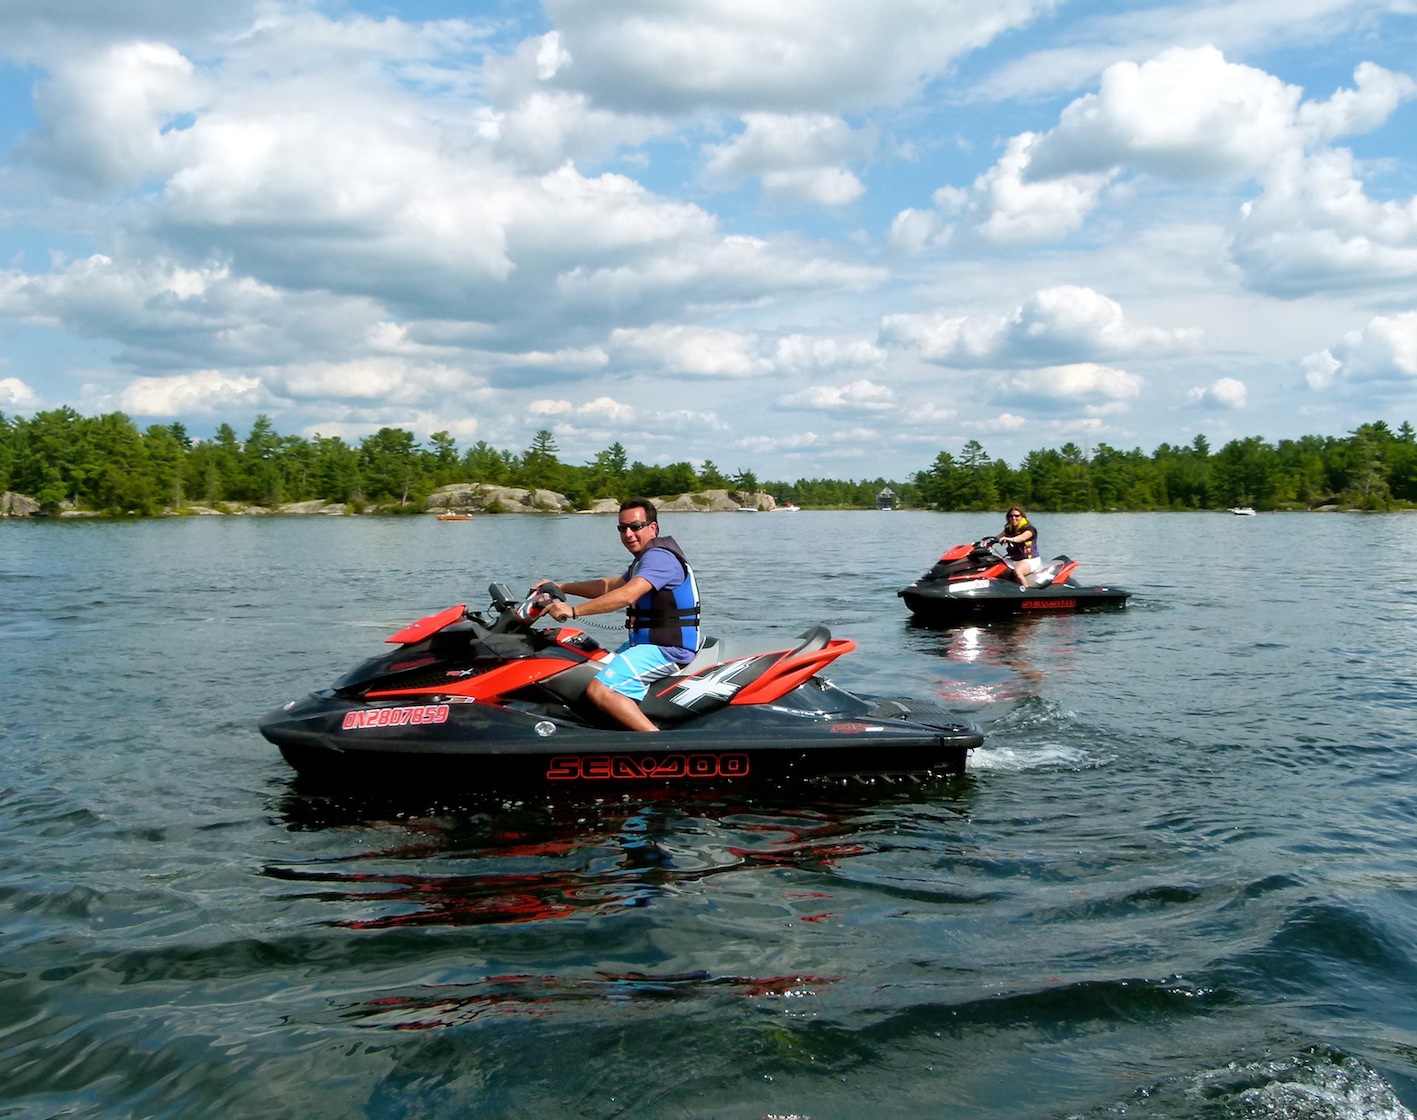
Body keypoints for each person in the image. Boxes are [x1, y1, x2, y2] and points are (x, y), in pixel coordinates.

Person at [541, 498, 700, 732]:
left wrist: (572, 611)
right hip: (646, 645)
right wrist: (561, 587)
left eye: (635, 527)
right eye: (622, 528)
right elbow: (608, 586)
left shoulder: (660, 558)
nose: (628, 534)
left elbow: (626, 595)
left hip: (667, 650)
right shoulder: (645, 560)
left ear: (652, 528)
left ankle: (660, 746)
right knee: (588, 667)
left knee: (601, 690)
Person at [993, 506, 1041, 588]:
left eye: (1017, 516)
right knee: (994, 564)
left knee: (1018, 571)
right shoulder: (1009, 529)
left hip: (1030, 560)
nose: (1013, 518)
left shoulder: (1029, 529)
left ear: (1022, 517)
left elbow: (1021, 538)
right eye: (1011, 516)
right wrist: (985, 542)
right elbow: (996, 538)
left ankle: (1026, 592)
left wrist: (1009, 539)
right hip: (1014, 560)